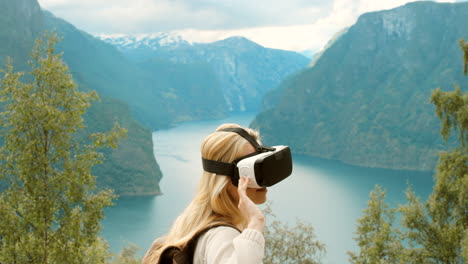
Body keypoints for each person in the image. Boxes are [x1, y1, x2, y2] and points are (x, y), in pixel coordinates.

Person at [143, 123, 267, 264]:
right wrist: (256, 223)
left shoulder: (191, 225)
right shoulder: (222, 235)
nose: (262, 178)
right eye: (251, 169)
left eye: (262, 164)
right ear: (224, 179)